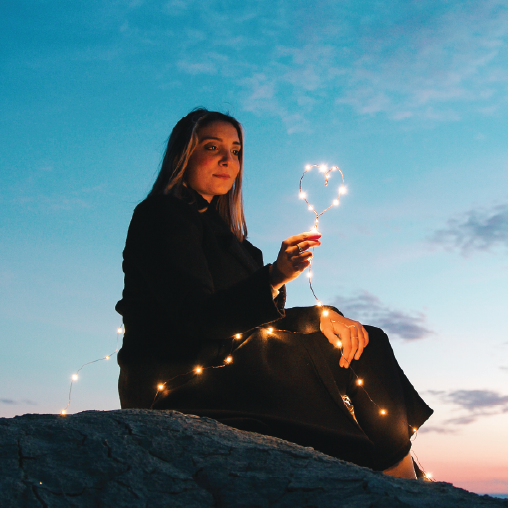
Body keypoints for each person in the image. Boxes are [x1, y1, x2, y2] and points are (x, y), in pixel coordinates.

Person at [115, 108, 432, 478]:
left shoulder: (235, 242)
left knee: (362, 341)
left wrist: (323, 317)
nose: (227, 160)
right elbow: (198, 316)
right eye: (212, 147)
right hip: (181, 379)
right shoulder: (161, 215)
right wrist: (273, 276)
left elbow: (259, 321)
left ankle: (395, 473)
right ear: (183, 155)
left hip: (229, 364)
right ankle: (401, 483)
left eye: (235, 151)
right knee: (342, 356)